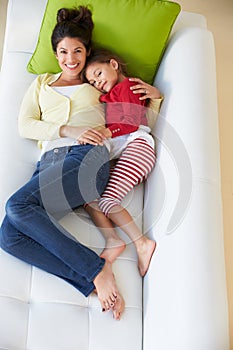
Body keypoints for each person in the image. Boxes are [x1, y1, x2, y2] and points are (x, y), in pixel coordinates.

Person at [0, 6, 126, 320]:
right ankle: (91, 281)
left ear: (87, 53)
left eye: (78, 51)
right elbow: (25, 125)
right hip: (49, 164)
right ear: (56, 54)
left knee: (16, 207)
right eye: (64, 52)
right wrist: (68, 129)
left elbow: (132, 115)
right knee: (9, 236)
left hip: (88, 159)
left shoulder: (95, 83)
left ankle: (96, 269)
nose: (71, 59)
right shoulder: (41, 84)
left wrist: (153, 98)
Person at [81, 48, 163, 277]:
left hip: (139, 148)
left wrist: (105, 132)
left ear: (114, 65)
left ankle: (142, 243)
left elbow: (129, 125)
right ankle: (113, 240)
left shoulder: (126, 86)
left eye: (98, 73)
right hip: (130, 151)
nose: (96, 82)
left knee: (107, 201)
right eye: (92, 81)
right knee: (91, 199)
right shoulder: (114, 93)